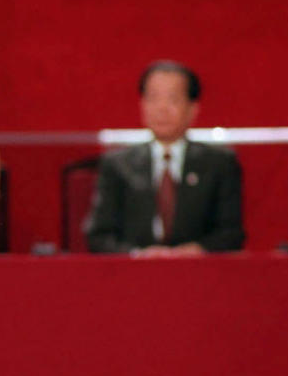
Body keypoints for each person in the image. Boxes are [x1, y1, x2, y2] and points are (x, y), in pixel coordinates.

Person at [84, 61, 245, 256]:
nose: (162, 108)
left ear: (193, 109)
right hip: (133, 277)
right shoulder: (117, 165)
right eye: (153, 98)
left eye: (173, 99)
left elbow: (232, 234)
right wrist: (137, 254)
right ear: (142, 105)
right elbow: (99, 236)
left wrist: (198, 250)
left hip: (199, 276)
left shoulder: (219, 163)